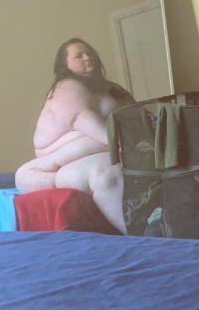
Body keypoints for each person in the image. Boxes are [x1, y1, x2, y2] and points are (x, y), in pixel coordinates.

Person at [15, 38, 135, 233]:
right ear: (65, 65)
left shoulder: (111, 89)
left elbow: (137, 114)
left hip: (101, 151)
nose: (87, 58)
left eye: (89, 53)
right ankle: (136, 234)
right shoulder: (66, 87)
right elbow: (81, 119)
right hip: (66, 161)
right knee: (106, 172)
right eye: (78, 56)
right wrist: (123, 144)